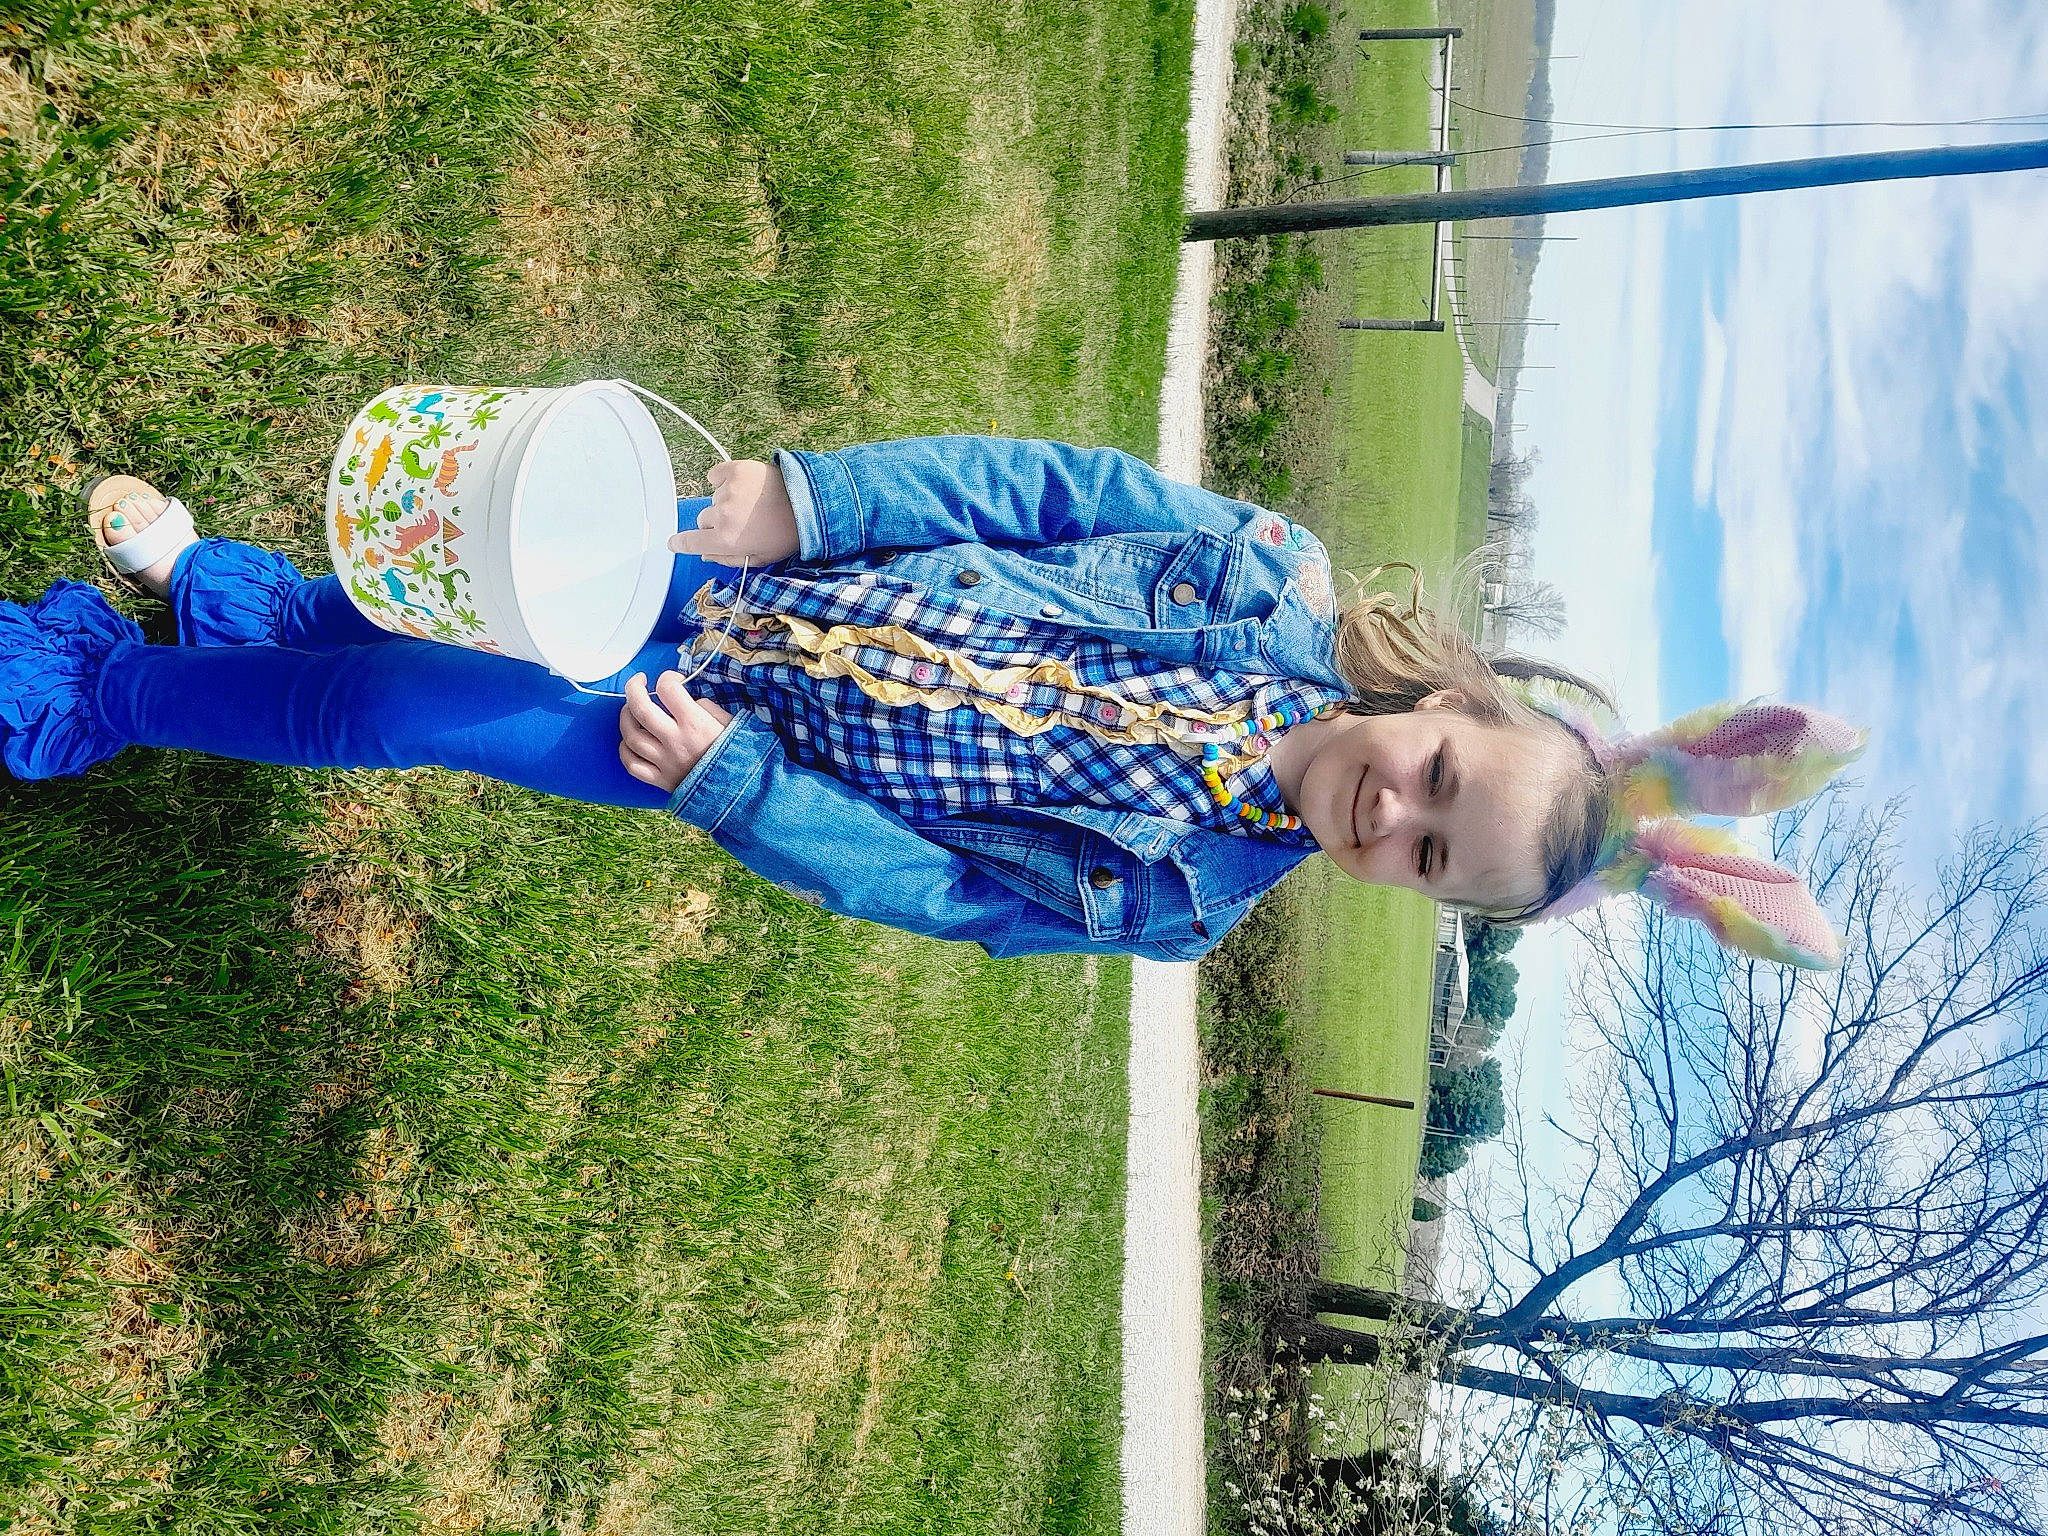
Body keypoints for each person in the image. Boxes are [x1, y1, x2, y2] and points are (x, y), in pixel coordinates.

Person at [0, 435, 1862, 964]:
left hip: (717, 737)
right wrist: (806, 500)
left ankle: (117, 689)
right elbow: (1033, 488)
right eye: (1438, 770)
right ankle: (234, 594)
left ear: (1414, 898)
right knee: (461, 605)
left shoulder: (1174, 901)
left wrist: (734, 789)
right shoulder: (1260, 575)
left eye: (1431, 858)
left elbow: (931, 887)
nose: (1394, 810)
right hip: (744, 577)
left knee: (404, 715)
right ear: (1449, 692)